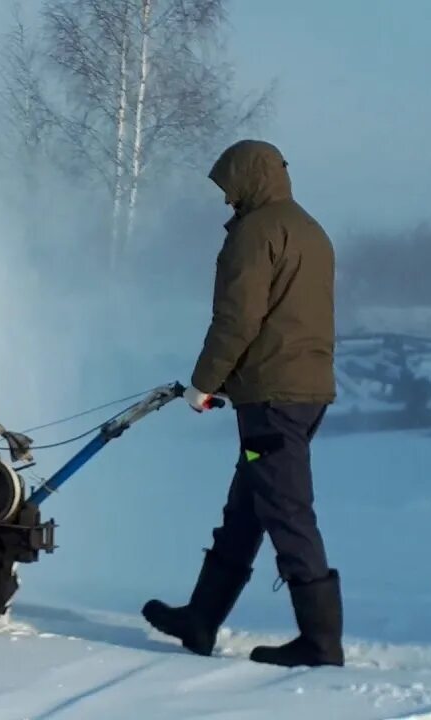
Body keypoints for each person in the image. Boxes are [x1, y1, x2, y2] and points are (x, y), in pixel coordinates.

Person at [142, 139, 343, 668]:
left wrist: (203, 383)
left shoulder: (256, 233)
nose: (226, 200)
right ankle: (201, 619)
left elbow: (238, 319)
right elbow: (286, 319)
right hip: (302, 390)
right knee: (250, 503)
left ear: (250, 179)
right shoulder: (309, 229)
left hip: (274, 400)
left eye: (229, 188)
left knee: (287, 510)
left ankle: (320, 644)